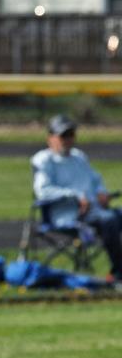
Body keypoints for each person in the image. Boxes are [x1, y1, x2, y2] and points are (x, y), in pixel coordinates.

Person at [31, 114, 122, 282]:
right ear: (50, 138)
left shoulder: (79, 157)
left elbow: (95, 180)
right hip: (67, 216)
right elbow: (43, 191)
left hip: (94, 211)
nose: (67, 140)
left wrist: (102, 192)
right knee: (109, 220)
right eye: (62, 135)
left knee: (114, 216)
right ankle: (118, 273)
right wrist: (75, 195)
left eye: (70, 135)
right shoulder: (44, 160)